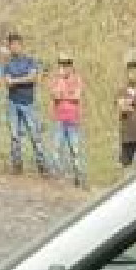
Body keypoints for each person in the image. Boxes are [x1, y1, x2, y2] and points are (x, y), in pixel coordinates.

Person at [1, 32, 49, 176]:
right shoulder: (8, 64)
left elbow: (33, 78)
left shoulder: (30, 61)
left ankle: (42, 166)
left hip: (28, 103)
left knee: (35, 135)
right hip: (13, 103)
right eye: (12, 45)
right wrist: (23, 79)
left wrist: (16, 80)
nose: (14, 47)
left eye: (16, 44)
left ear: (21, 45)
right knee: (15, 136)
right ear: (9, 47)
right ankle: (17, 165)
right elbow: (7, 82)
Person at [48, 53, 86, 188]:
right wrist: (64, 89)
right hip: (58, 118)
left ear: (71, 65)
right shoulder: (56, 80)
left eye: (67, 64)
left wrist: (64, 94)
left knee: (74, 150)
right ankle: (59, 176)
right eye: (62, 64)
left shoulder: (77, 79)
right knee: (57, 149)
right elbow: (55, 95)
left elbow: (76, 97)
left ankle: (78, 177)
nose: (64, 67)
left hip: (73, 119)